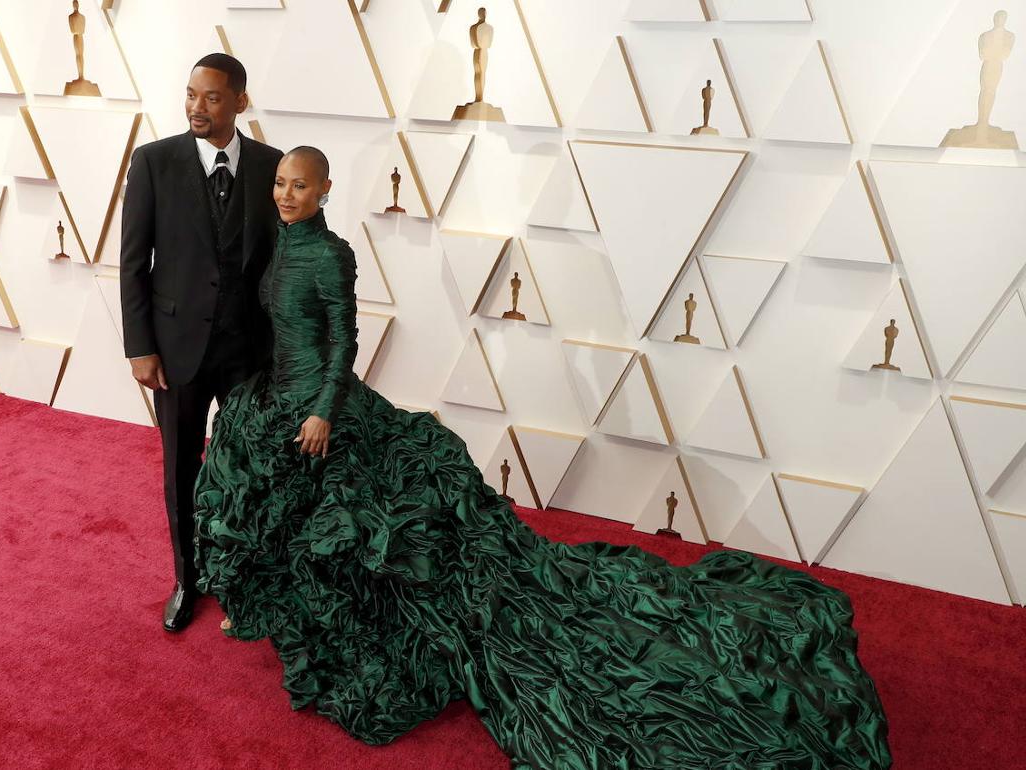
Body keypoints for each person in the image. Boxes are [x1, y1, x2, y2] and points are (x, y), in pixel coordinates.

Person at [191, 148, 892, 769]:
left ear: (325, 190)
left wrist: (321, 410)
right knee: (254, 494)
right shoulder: (280, 243)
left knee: (374, 529)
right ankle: (279, 610)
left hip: (322, 409)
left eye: (300, 186)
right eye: (281, 183)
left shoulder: (330, 253)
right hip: (276, 401)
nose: (286, 194)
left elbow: (343, 342)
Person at [119, 53, 282, 632]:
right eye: (190, 94)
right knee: (181, 468)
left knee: (248, 469)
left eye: (211, 98)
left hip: (248, 354)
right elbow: (133, 262)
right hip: (176, 350)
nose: (196, 107)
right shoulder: (154, 162)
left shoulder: (271, 166)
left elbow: (281, 264)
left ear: (240, 101)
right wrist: (140, 346)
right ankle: (187, 578)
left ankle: (243, 576)